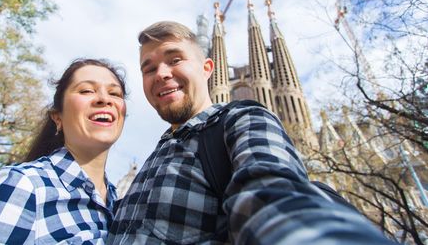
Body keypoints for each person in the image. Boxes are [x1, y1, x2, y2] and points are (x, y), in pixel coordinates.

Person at [107, 21, 396, 244]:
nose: (161, 73)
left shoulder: (240, 120)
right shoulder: (155, 157)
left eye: (175, 59)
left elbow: (270, 193)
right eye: (149, 68)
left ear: (209, 68)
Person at [0, 58, 127, 244]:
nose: (105, 99)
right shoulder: (23, 185)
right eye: (86, 90)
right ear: (57, 118)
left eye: (115, 93)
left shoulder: (120, 206)